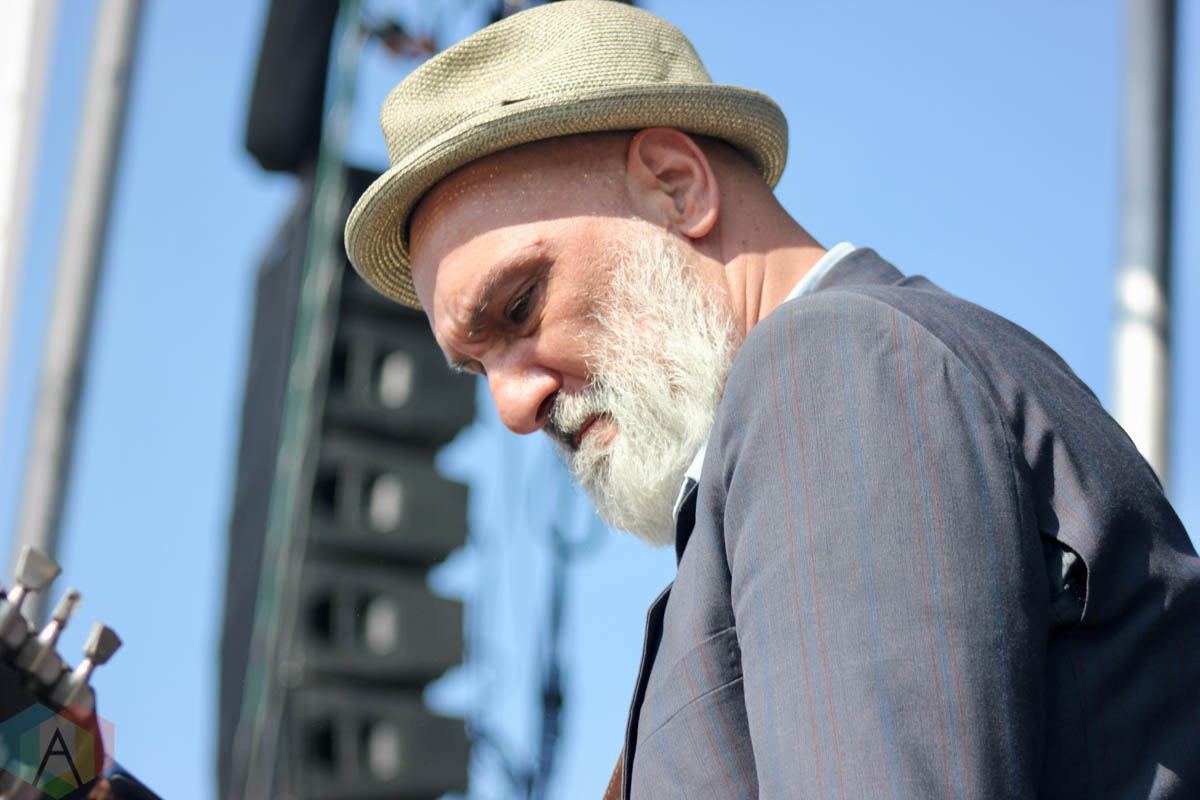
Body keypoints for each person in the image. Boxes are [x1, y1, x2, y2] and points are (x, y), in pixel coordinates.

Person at [344, 2, 1200, 797]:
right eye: (478, 366)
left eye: (521, 306)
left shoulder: (835, 368)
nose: (512, 407)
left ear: (677, 186)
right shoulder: (850, 391)